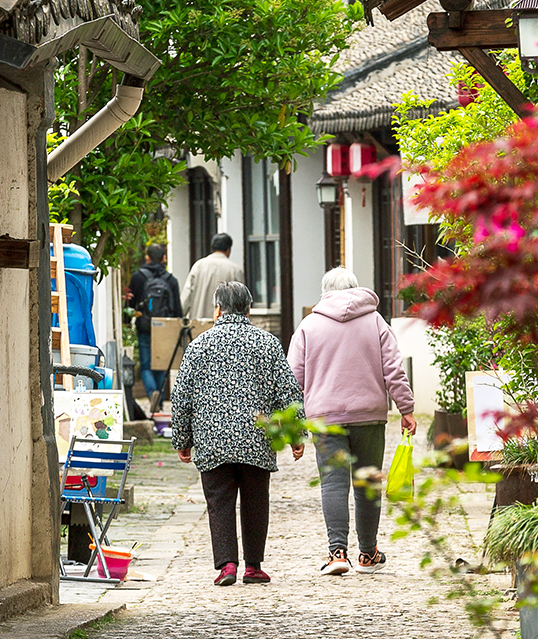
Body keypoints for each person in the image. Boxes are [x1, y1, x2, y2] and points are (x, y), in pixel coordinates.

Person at [170, 281, 304, 587]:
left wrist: (183, 439)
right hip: (257, 439)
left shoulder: (198, 345)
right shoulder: (267, 344)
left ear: (217, 308)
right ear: (249, 308)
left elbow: (182, 396)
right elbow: (288, 391)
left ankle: (227, 564)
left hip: (212, 440)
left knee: (219, 501)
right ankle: (253, 566)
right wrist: (296, 435)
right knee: (256, 500)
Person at [288, 267, 417, 575]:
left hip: (324, 418)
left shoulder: (309, 325)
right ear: (356, 289)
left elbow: (293, 378)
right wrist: (406, 408)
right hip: (368, 416)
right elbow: (394, 371)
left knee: (333, 483)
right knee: (367, 482)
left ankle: (337, 555)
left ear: (325, 291)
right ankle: (369, 554)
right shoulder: (376, 323)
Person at [126, 241, 182, 412]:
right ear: (164, 258)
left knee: (146, 364)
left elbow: (131, 304)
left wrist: (127, 322)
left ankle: (152, 394)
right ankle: (158, 400)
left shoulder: (138, 277)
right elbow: (178, 309)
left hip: (145, 326)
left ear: (147, 257)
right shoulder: (171, 280)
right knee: (161, 364)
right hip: (165, 328)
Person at [182, 231, 243, 324]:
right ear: (228, 249)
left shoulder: (198, 266)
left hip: (198, 324)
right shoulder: (235, 270)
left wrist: (181, 316)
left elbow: (186, 296)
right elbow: (241, 301)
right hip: (226, 326)